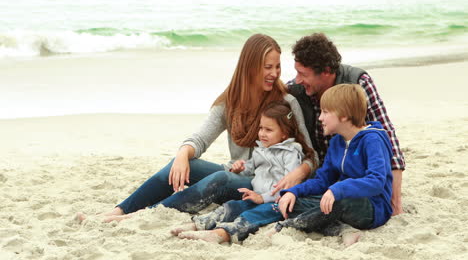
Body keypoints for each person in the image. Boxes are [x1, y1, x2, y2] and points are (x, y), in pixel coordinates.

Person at [78, 34, 317, 223]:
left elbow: (310, 155)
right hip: (237, 173)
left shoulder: (286, 102)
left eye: (277, 67)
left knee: (221, 178)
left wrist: (298, 173)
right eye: (268, 67)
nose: (274, 73)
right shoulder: (230, 101)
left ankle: (146, 214)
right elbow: (200, 138)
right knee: (181, 164)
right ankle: (120, 210)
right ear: (250, 66)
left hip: (263, 185)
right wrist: (182, 154)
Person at [276, 33, 405, 215]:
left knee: (340, 206)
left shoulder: (357, 84)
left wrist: (395, 202)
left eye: (303, 74)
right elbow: (269, 118)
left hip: (360, 183)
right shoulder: (296, 90)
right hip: (323, 173)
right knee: (293, 203)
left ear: (327, 71)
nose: (297, 80)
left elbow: (388, 138)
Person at [171, 101, 317, 243]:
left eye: (269, 130)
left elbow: (287, 188)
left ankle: (221, 234)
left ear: (284, 134)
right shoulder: (261, 150)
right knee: (233, 205)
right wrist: (241, 168)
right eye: (261, 128)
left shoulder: (290, 154)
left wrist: (263, 198)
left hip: (277, 202)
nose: (262, 134)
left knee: (252, 215)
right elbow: (251, 168)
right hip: (256, 197)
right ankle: (199, 224)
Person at [275, 84, 394, 245]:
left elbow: (376, 181)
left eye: (325, 112)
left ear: (343, 115)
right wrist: (293, 192)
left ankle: (287, 227)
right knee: (290, 204)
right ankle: (343, 230)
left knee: (340, 202)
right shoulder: (337, 141)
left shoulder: (373, 140)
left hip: (372, 207)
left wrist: (338, 189)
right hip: (341, 202)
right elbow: (322, 181)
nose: (320, 118)